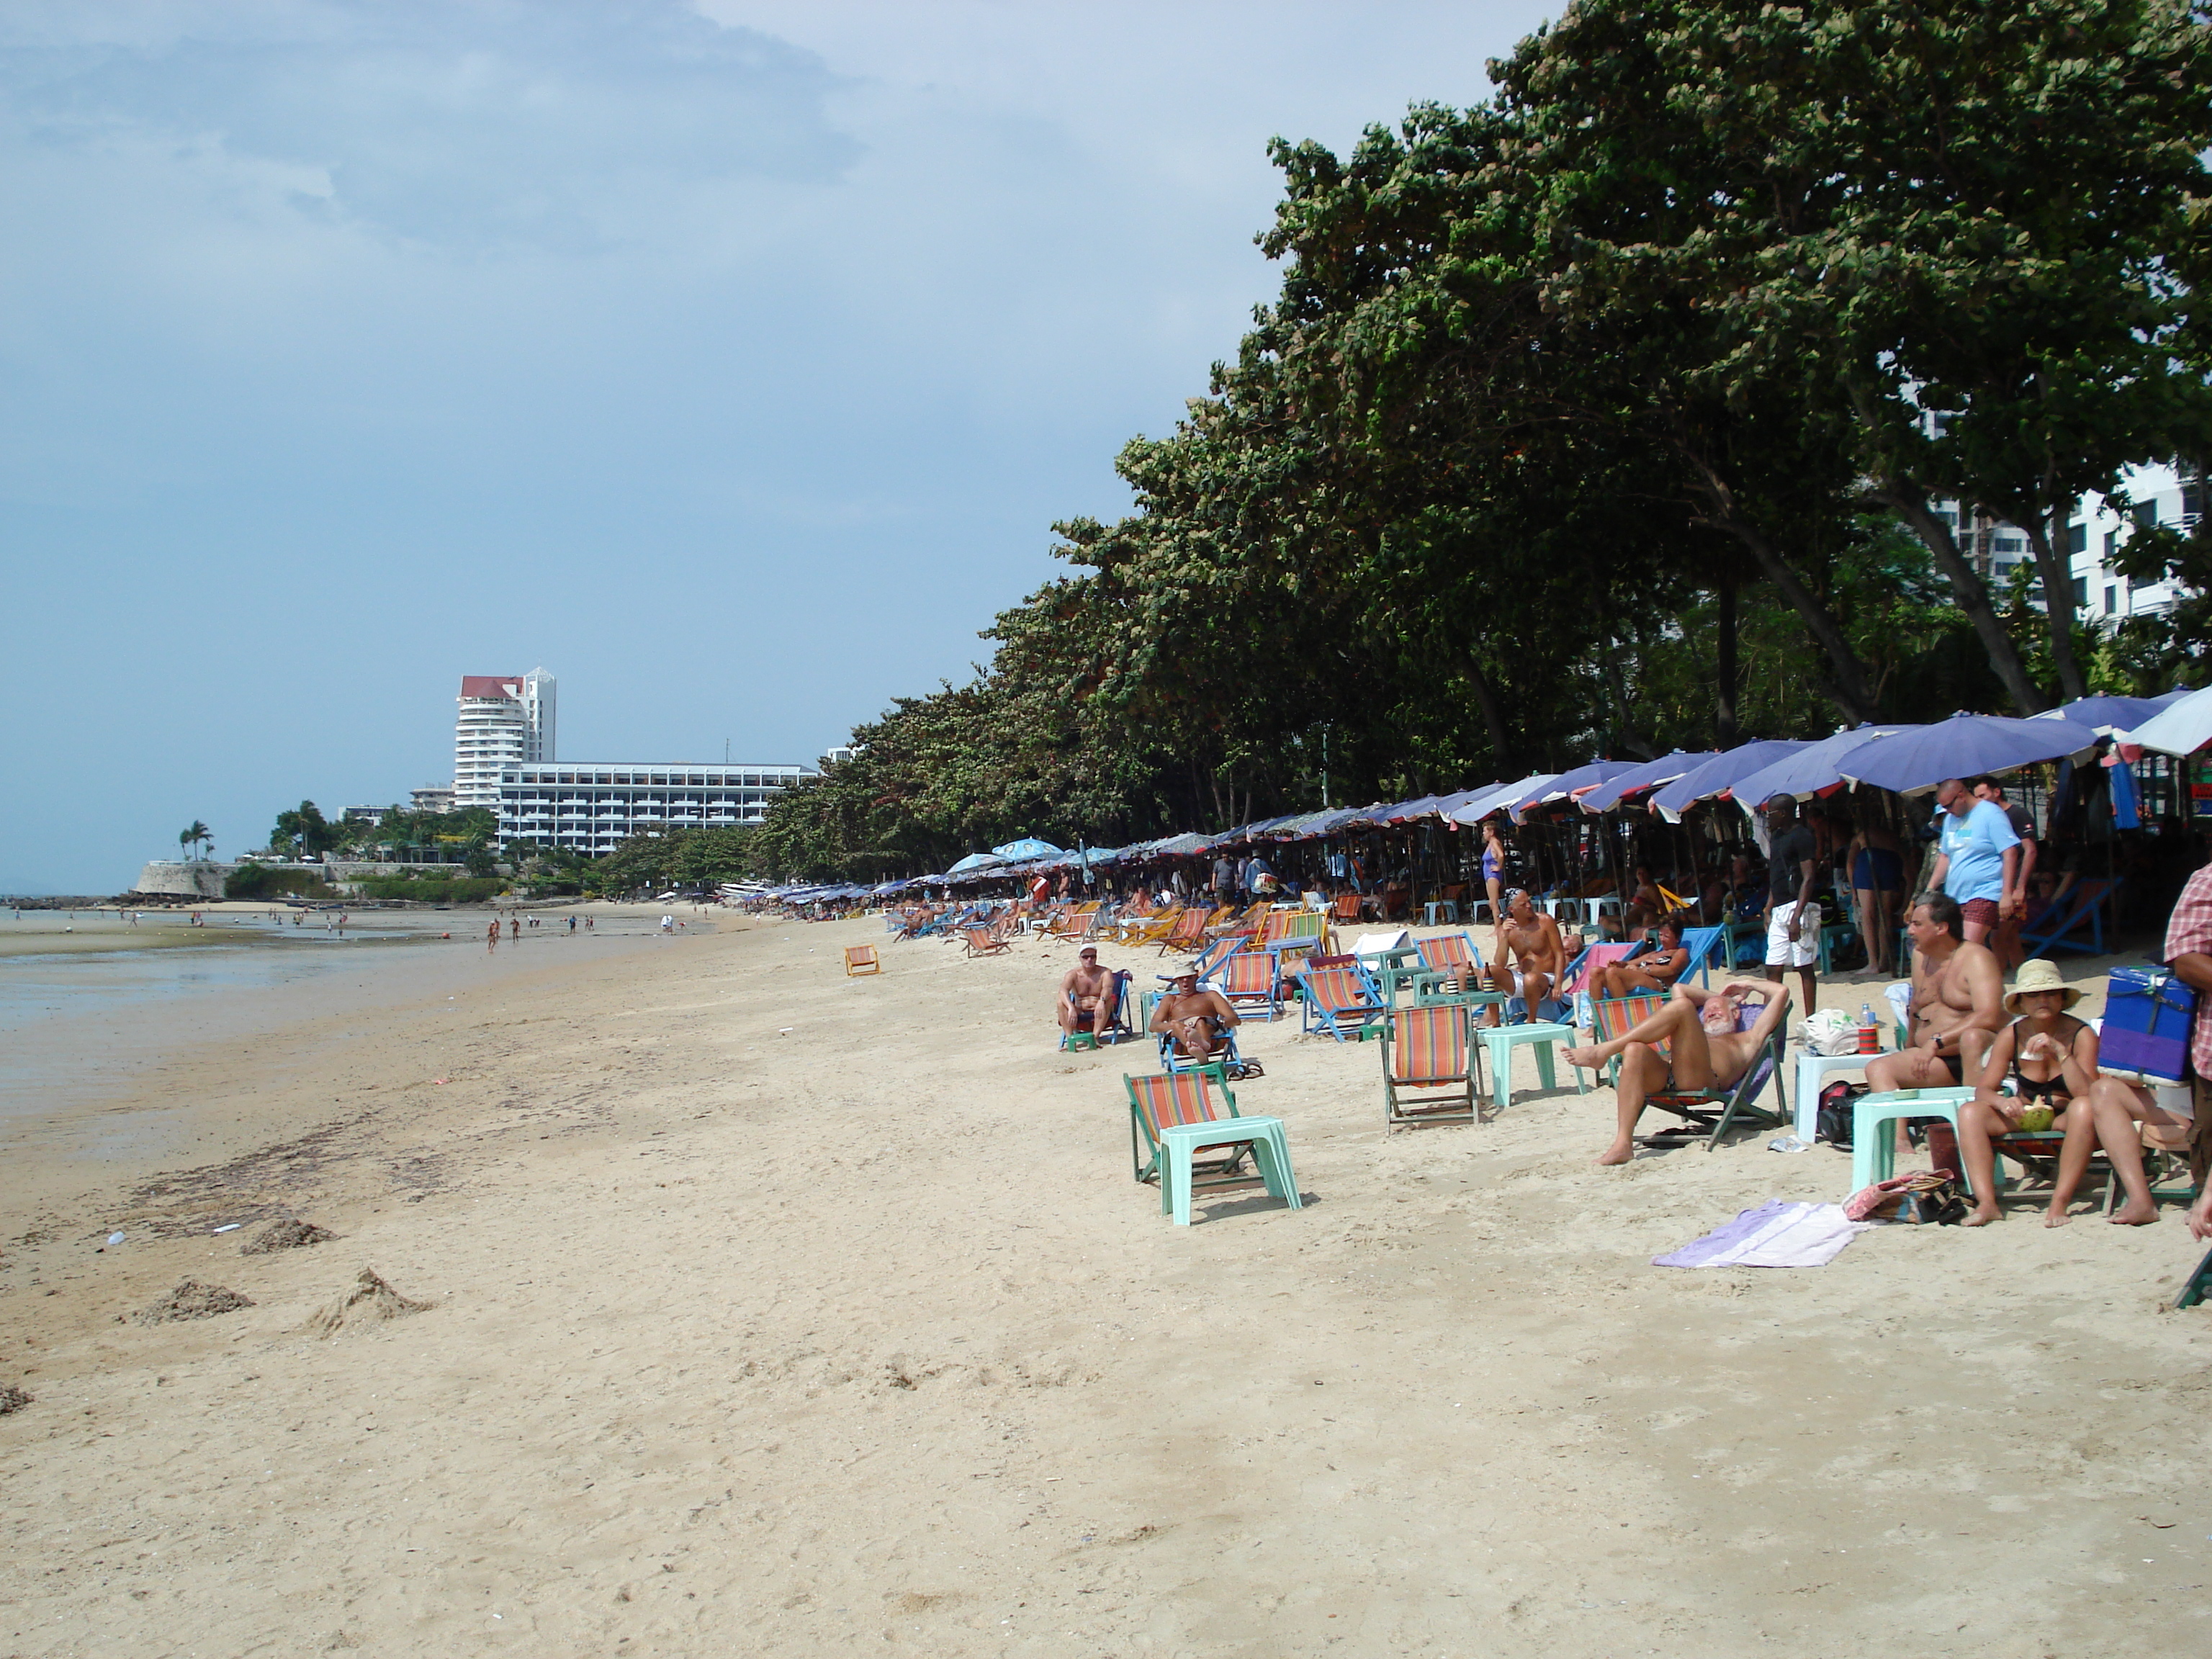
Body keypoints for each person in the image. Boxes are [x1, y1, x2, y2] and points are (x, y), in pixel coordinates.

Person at [1565, 981, 1794, 1165]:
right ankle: (1622, 1144)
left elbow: (1781, 992)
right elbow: (1679, 988)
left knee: (1683, 1007)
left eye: (1718, 1010)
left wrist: (1746, 984)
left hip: (1702, 1078)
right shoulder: (1696, 1037)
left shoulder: (1749, 1039)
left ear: (1736, 1014)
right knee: (1634, 1050)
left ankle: (1605, 1050)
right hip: (1668, 1074)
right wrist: (1720, 998)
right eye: (1708, 1011)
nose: (1711, 1012)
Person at [1952, 959, 2100, 1226]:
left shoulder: (2081, 1034)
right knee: (1970, 1113)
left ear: (2062, 998)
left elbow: (2087, 1093)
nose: (2042, 1000)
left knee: (2084, 1108)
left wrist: (2062, 1053)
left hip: (2067, 1116)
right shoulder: (2012, 1034)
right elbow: (1983, 1089)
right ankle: (1987, 1203)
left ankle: (2060, 1202)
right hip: (2026, 1112)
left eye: (2050, 993)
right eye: (2033, 995)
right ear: (2021, 1002)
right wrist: (2001, 1101)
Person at [1866, 891, 2005, 1099]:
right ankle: (1899, 1132)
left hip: (1973, 1054)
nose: (1910, 931)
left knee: (1972, 1037)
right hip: (1932, 1058)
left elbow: (1989, 1015)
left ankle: (1973, 1117)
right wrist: (1911, 1047)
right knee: (1877, 1068)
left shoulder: (1976, 958)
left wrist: (1937, 1041)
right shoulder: (1920, 957)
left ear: (1941, 928)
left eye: (1917, 925)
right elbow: (1916, 1007)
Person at [1925, 776, 2021, 947]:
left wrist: (2007, 893)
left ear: (1961, 795)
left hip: (1985, 891)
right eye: (1943, 807)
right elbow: (1945, 856)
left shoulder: (1991, 813)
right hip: (1956, 896)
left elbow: (2010, 852)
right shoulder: (1950, 819)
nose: (1947, 811)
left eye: (1948, 805)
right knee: (1961, 949)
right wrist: (1930, 889)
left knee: (1967, 946)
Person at [1972, 776, 2038, 969]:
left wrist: (2020, 887)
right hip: (1996, 886)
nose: (1980, 801)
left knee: (1998, 937)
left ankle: (1996, 983)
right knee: (2010, 938)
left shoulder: (2016, 814)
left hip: (2012, 887)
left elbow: (2030, 850)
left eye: (1983, 795)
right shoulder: (1985, 818)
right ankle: (2023, 978)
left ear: (1997, 792)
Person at [1762, 796, 1821, 1013]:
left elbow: (1809, 877)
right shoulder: (1777, 837)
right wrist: (1769, 908)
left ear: (1783, 813)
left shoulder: (1802, 836)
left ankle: (1810, 1019)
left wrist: (1797, 916)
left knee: (1804, 966)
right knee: (1773, 965)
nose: (1768, 817)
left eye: (1770, 813)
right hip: (1780, 906)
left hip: (1801, 906)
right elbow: (1776, 875)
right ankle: (1771, 1018)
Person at [1480, 890, 1568, 1026]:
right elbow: (1500, 963)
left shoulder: (1545, 921)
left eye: (1529, 901)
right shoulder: (1507, 929)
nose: (1529, 906)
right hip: (1523, 978)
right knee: (1490, 973)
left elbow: (1560, 953)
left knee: (1531, 978)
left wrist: (1558, 985)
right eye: (1523, 904)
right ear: (1512, 909)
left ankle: (1531, 1021)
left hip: (1545, 980)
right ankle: (1495, 1023)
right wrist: (1504, 937)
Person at [1845, 808, 1908, 976]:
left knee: (1868, 915)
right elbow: (1905, 862)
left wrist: (1853, 891)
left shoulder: (1862, 834)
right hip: (1891, 860)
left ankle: (1873, 962)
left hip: (1869, 859)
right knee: (1885, 914)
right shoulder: (1891, 836)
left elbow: (1850, 863)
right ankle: (1884, 961)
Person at [1148, 968, 1241, 1063]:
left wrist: (1225, 1022)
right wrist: (1172, 1025)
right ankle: (1202, 1049)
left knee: (1200, 1022)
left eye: (1189, 978)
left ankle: (1200, 1050)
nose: (1185, 982)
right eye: (1181, 979)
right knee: (1177, 1025)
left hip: (1207, 1027)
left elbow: (1234, 1019)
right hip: (1180, 1031)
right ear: (1176, 981)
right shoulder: (1170, 999)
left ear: (1196, 978)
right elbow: (1153, 1026)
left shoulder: (1210, 996)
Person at [1593, 917, 1694, 999]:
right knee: (1595, 972)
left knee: (1612, 972)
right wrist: (1619, 964)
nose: (1662, 939)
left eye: (1666, 936)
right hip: (1640, 978)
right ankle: (1596, 1017)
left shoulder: (1680, 952)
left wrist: (1642, 970)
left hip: (1659, 983)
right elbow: (1628, 963)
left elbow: (1671, 970)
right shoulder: (1654, 953)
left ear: (1677, 938)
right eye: (1660, 935)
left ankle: (1623, 1015)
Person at [1057, 946, 1122, 1043]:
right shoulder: (1073, 974)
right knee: (1060, 1003)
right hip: (1080, 1009)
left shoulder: (1105, 972)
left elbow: (1107, 988)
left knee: (1107, 1000)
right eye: (1085, 957)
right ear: (1080, 958)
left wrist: (1101, 1001)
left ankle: (1095, 1038)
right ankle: (1071, 1039)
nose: (1089, 960)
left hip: (1101, 1009)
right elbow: (1063, 991)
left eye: (1092, 957)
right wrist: (1071, 1008)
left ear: (1096, 957)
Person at [1479, 821, 1508, 925]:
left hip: (1493, 875)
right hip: (1488, 874)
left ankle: (1498, 927)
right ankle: (1497, 925)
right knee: (1491, 902)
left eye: (1485, 831)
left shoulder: (1495, 842)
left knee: (1493, 903)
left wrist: (1498, 867)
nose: (1483, 833)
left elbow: (1501, 855)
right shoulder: (1490, 844)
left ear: (1491, 832)